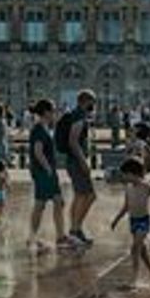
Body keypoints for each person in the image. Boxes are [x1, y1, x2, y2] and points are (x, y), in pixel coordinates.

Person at [109, 158, 150, 284]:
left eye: (125, 174)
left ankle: (134, 277)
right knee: (142, 250)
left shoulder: (146, 186)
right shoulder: (128, 188)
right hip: (133, 221)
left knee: (135, 247)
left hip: (143, 221)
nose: (123, 177)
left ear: (132, 173)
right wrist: (116, 220)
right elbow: (126, 207)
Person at [57, 90, 98, 247]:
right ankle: (75, 229)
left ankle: (75, 229)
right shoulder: (79, 117)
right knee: (89, 195)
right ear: (85, 101)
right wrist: (83, 161)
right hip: (76, 161)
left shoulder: (75, 115)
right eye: (92, 102)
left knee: (80, 195)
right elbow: (73, 141)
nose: (93, 106)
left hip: (73, 161)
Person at [27, 99, 68, 252]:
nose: (55, 114)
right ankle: (35, 238)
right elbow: (38, 151)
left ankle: (59, 236)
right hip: (44, 172)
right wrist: (47, 168)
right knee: (41, 204)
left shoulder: (43, 127)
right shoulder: (38, 129)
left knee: (56, 202)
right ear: (46, 112)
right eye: (53, 110)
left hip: (46, 171)